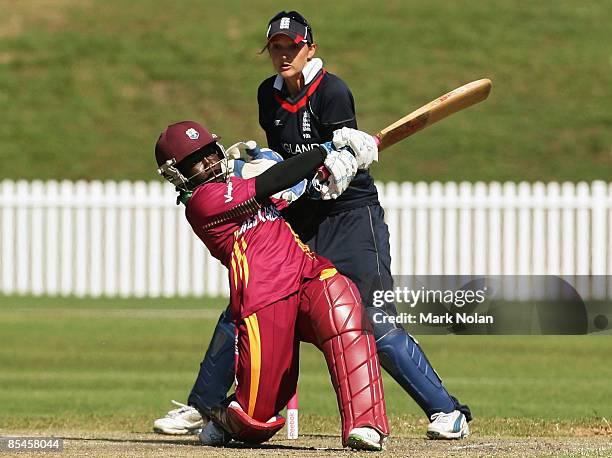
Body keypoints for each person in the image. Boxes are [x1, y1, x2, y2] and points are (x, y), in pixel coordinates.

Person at [154, 10, 471, 440]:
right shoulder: (268, 94)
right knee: (243, 309)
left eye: (293, 47)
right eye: (276, 48)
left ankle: (446, 411)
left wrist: (341, 162)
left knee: (370, 320)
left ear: (310, 48)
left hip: (350, 216)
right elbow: (286, 160)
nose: (284, 55)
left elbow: (346, 159)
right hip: (301, 215)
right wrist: (274, 165)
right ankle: (204, 407)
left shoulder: (333, 91)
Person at [154, 120, 389, 450]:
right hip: (264, 299)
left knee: (344, 305)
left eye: (209, 152)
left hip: (306, 273)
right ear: (178, 173)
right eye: (197, 160)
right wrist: (327, 150)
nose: (208, 161)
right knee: (257, 415)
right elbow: (273, 182)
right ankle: (229, 420)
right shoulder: (202, 203)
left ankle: (365, 424)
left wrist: (333, 171)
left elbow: (291, 190)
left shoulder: (237, 181)